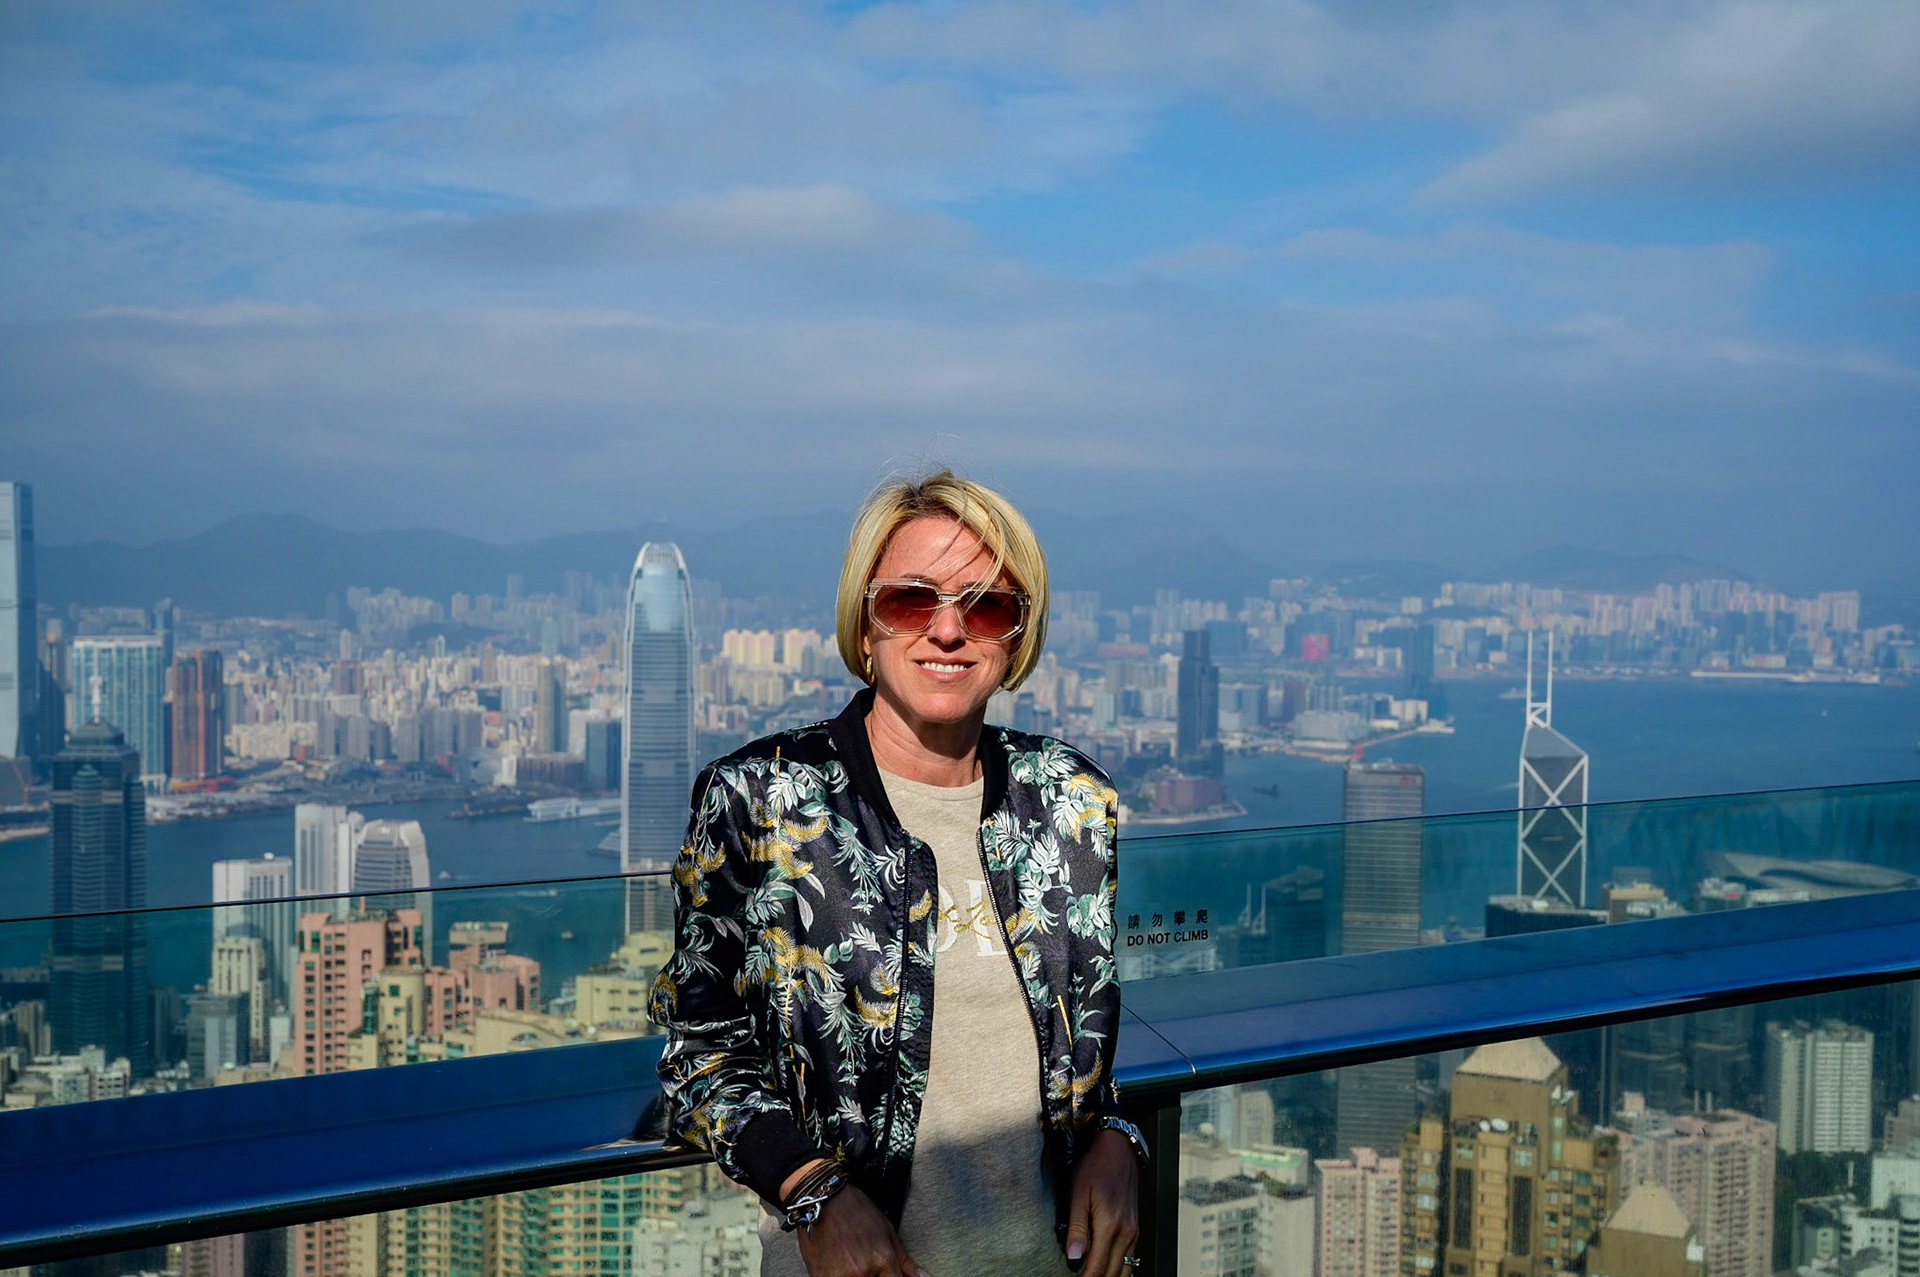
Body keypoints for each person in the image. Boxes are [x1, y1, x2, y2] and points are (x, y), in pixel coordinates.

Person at [649, 470, 1144, 1277]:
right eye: (912, 600)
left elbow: (1077, 1036)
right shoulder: (763, 799)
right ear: (865, 621)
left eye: (985, 606)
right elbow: (697, 1053)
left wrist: (1117, 1131)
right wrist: (812, 1187)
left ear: (1017, 634)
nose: (948, 630)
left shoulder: (1070, 800)